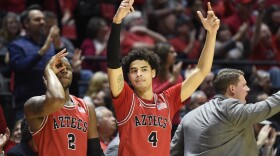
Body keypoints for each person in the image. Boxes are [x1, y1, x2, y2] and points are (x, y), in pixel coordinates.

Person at [106, 0, 220, 155]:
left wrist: (211, 34)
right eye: (134, 71)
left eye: (144, 69)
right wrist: (117, 21)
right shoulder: (125, 99)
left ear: (153, 73)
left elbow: (201, 70)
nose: (138, 74)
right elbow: (113, 63)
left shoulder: (167, 100)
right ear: (129, 77)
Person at [170, 68, 280, 156]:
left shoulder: (189, 116)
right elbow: (269, 105)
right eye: (244, 85)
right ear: (232, 88)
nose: (248, 89)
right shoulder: (230, 108)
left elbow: (172, 152)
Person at [24, 49, 104, 156]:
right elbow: (56, 99)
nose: (64, 70)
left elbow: (95, 152)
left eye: (68, 68)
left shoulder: (87, 107)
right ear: (47, 75)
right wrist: (48, 69)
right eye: (58, 67)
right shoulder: (32, 105)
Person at [8, 5, 61, 120]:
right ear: (26, 24)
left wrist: (57, 48)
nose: (42, 22)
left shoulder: (51, 46)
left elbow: (61, 71)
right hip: (26, 104)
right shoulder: (16, 45)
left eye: (43, 19)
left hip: (50, 103)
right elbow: (20, 67)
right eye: (37, 19)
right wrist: (43, 50)